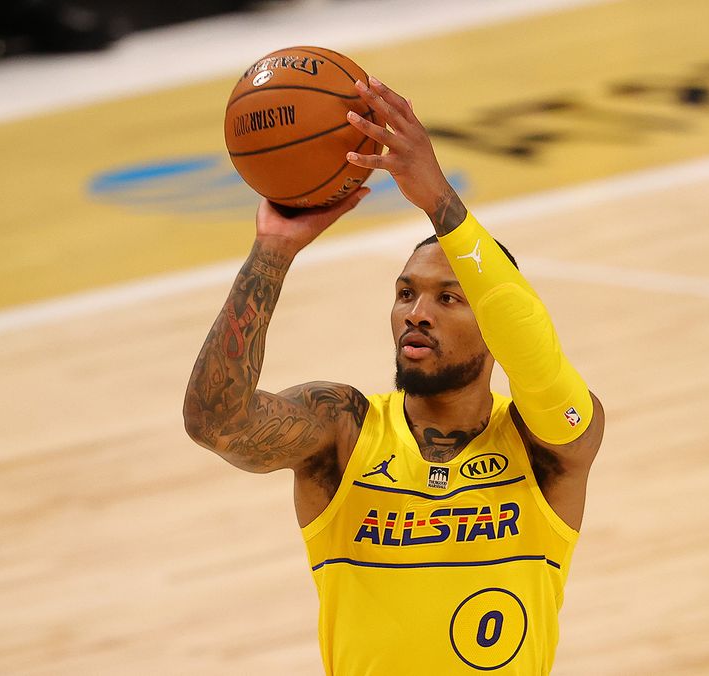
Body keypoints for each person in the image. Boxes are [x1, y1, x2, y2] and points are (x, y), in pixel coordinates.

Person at [183, 76, 606, 675]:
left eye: (449, 299)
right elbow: (215, 422)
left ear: (494, 322)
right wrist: (272, 253)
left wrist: (439, 199)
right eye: (406, 293)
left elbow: (532, 346)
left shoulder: (549, 443)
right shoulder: (343, 429)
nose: (417, 313)